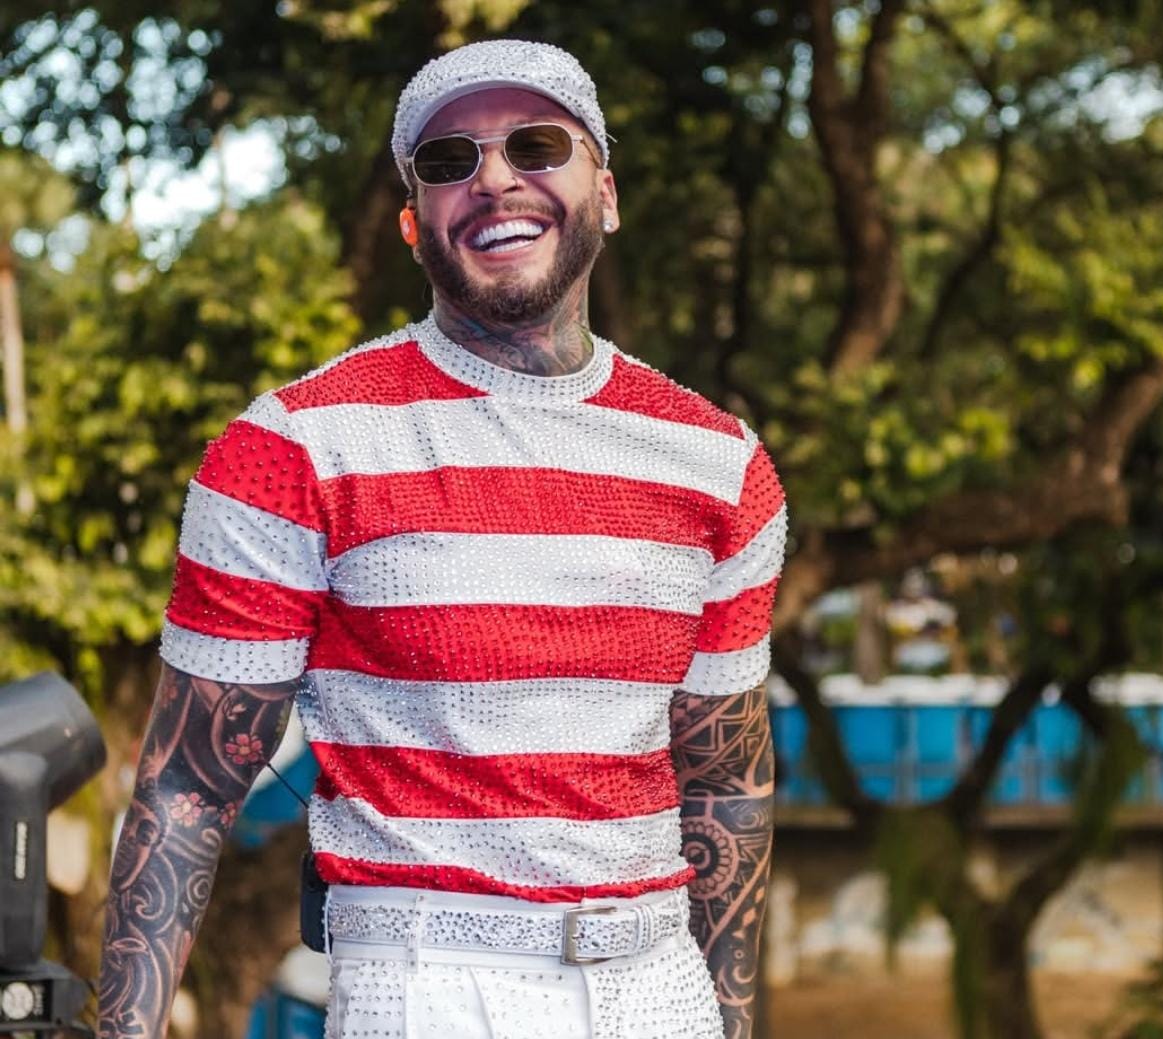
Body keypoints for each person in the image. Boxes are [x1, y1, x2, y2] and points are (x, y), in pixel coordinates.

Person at [98, 38, 786, 1039]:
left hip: (660, 987)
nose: (494, 177)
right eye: (448, 160)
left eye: (536, 144)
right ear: (414, 225)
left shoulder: (720, 462)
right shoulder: (294, 447)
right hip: (428, 985)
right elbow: (188, 786)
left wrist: (726, 1025)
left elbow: (725, 789)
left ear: (606, 194)